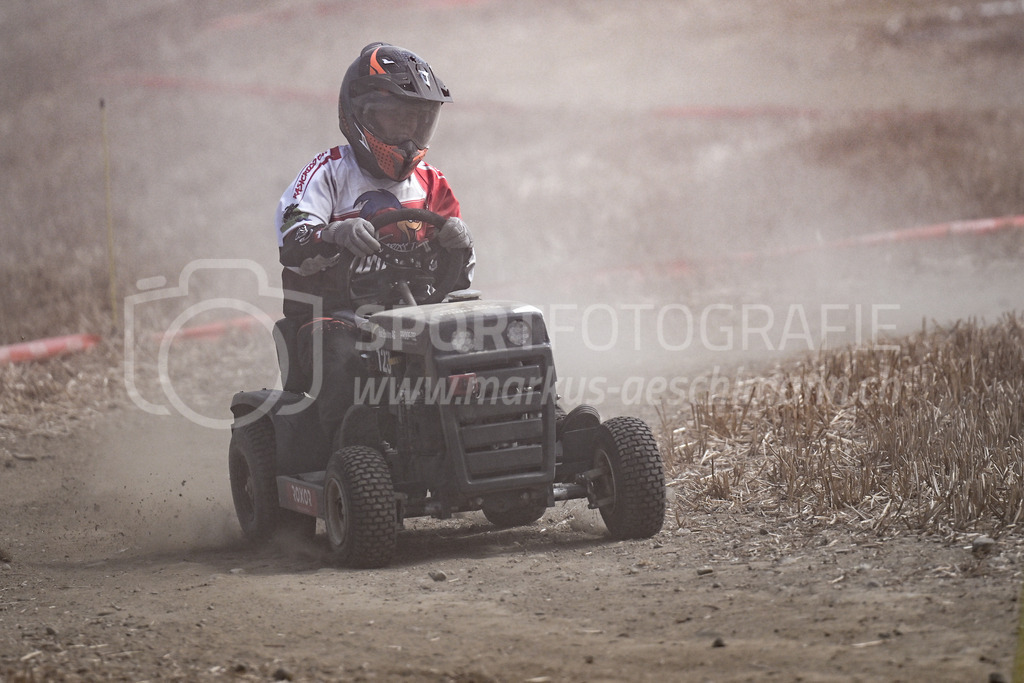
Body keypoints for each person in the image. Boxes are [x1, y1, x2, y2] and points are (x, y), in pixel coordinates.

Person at [274, 42, 474, 442]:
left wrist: (460, 243)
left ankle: (524, 419)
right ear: (359, 115)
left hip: (417, 310)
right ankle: (353, 448)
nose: (409, 139)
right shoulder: (327, 173)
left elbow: (461, 278)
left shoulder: (432, 183)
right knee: (342, 355)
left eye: (418, 123)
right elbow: (293, 244)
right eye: (396, 120)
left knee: (488, 334)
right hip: (338, 313)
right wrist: (334, 234)